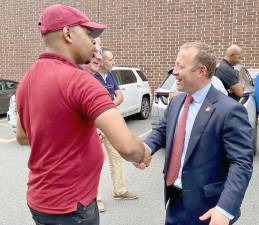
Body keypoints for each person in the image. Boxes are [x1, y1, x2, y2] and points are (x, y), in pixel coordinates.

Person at [15, 4, 151, 225]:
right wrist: (143, 153)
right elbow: (128, 147)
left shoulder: (27, 80)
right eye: (88, 35)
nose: (93, 43)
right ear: (68, 33)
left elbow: (22, 136)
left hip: (39, 201)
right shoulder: (81, 82)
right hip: (72, 207)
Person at [136, 42, 253, 225]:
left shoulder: (229, 110)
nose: (174, 71)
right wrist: (145, 148)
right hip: (174, 201)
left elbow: (241, 163)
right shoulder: (177, 101)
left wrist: (225, 209)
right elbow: (162, 129)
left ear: (201, 71)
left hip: (209, 209)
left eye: (180, 66)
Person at [93, 48, 138, 208]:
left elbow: (120, 95)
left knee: (116, 157)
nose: (114, 62)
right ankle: (95, 199)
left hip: (110, 122)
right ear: (102, 61)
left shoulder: (110, 75)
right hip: (96, 126)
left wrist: (107, 105)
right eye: (111, 59)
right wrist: (107, 105)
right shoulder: (91, 76)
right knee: (97, 160)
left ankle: (119, 190)